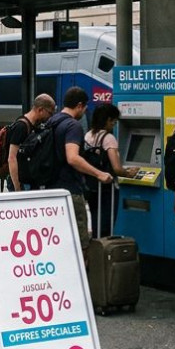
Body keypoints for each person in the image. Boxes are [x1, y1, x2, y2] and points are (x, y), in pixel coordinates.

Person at [38, 87, 114, 251]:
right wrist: (99, 174)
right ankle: (82, 276)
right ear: (79, 105)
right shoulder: (73, 126)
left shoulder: (53, 121)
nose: (85, 111)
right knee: (80, 243)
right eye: (85, 107)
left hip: (51, 190)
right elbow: (72, 158)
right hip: (70, 190)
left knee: (59, 240)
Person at [83, 102, 138, 238]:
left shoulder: (88, 135)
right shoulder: (108, 138)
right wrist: (130, 173)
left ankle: (96, 250)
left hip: (92, 186)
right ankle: (104, 253)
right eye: (113, 122)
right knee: (106, 225)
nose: (114, 125)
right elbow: (117, 168)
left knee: (96, 221)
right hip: (107, 189)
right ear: (108, 120)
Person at [7, 94, 56, 191]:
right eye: (50, 113)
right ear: (40, 110)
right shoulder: (21, 127)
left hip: (29, 182)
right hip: (21, 184)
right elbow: (12, 158)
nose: (50, 117)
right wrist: (17, 187)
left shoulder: (34, 126)